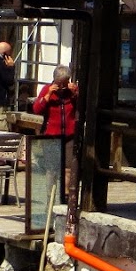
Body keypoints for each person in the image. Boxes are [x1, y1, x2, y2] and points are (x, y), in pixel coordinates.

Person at [32, 64, 79, 201]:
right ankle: (51, 197)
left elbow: (81, 108)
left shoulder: (71, 92)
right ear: (55, 80)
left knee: (69, 168)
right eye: (61, 83)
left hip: (69, 135)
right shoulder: (47, 89)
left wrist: (76, 93)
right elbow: (37, 109)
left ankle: (66, 197)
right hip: (51, 136)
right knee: (52, 169)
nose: (63, 86)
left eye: (66, 82)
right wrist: (48, 96)